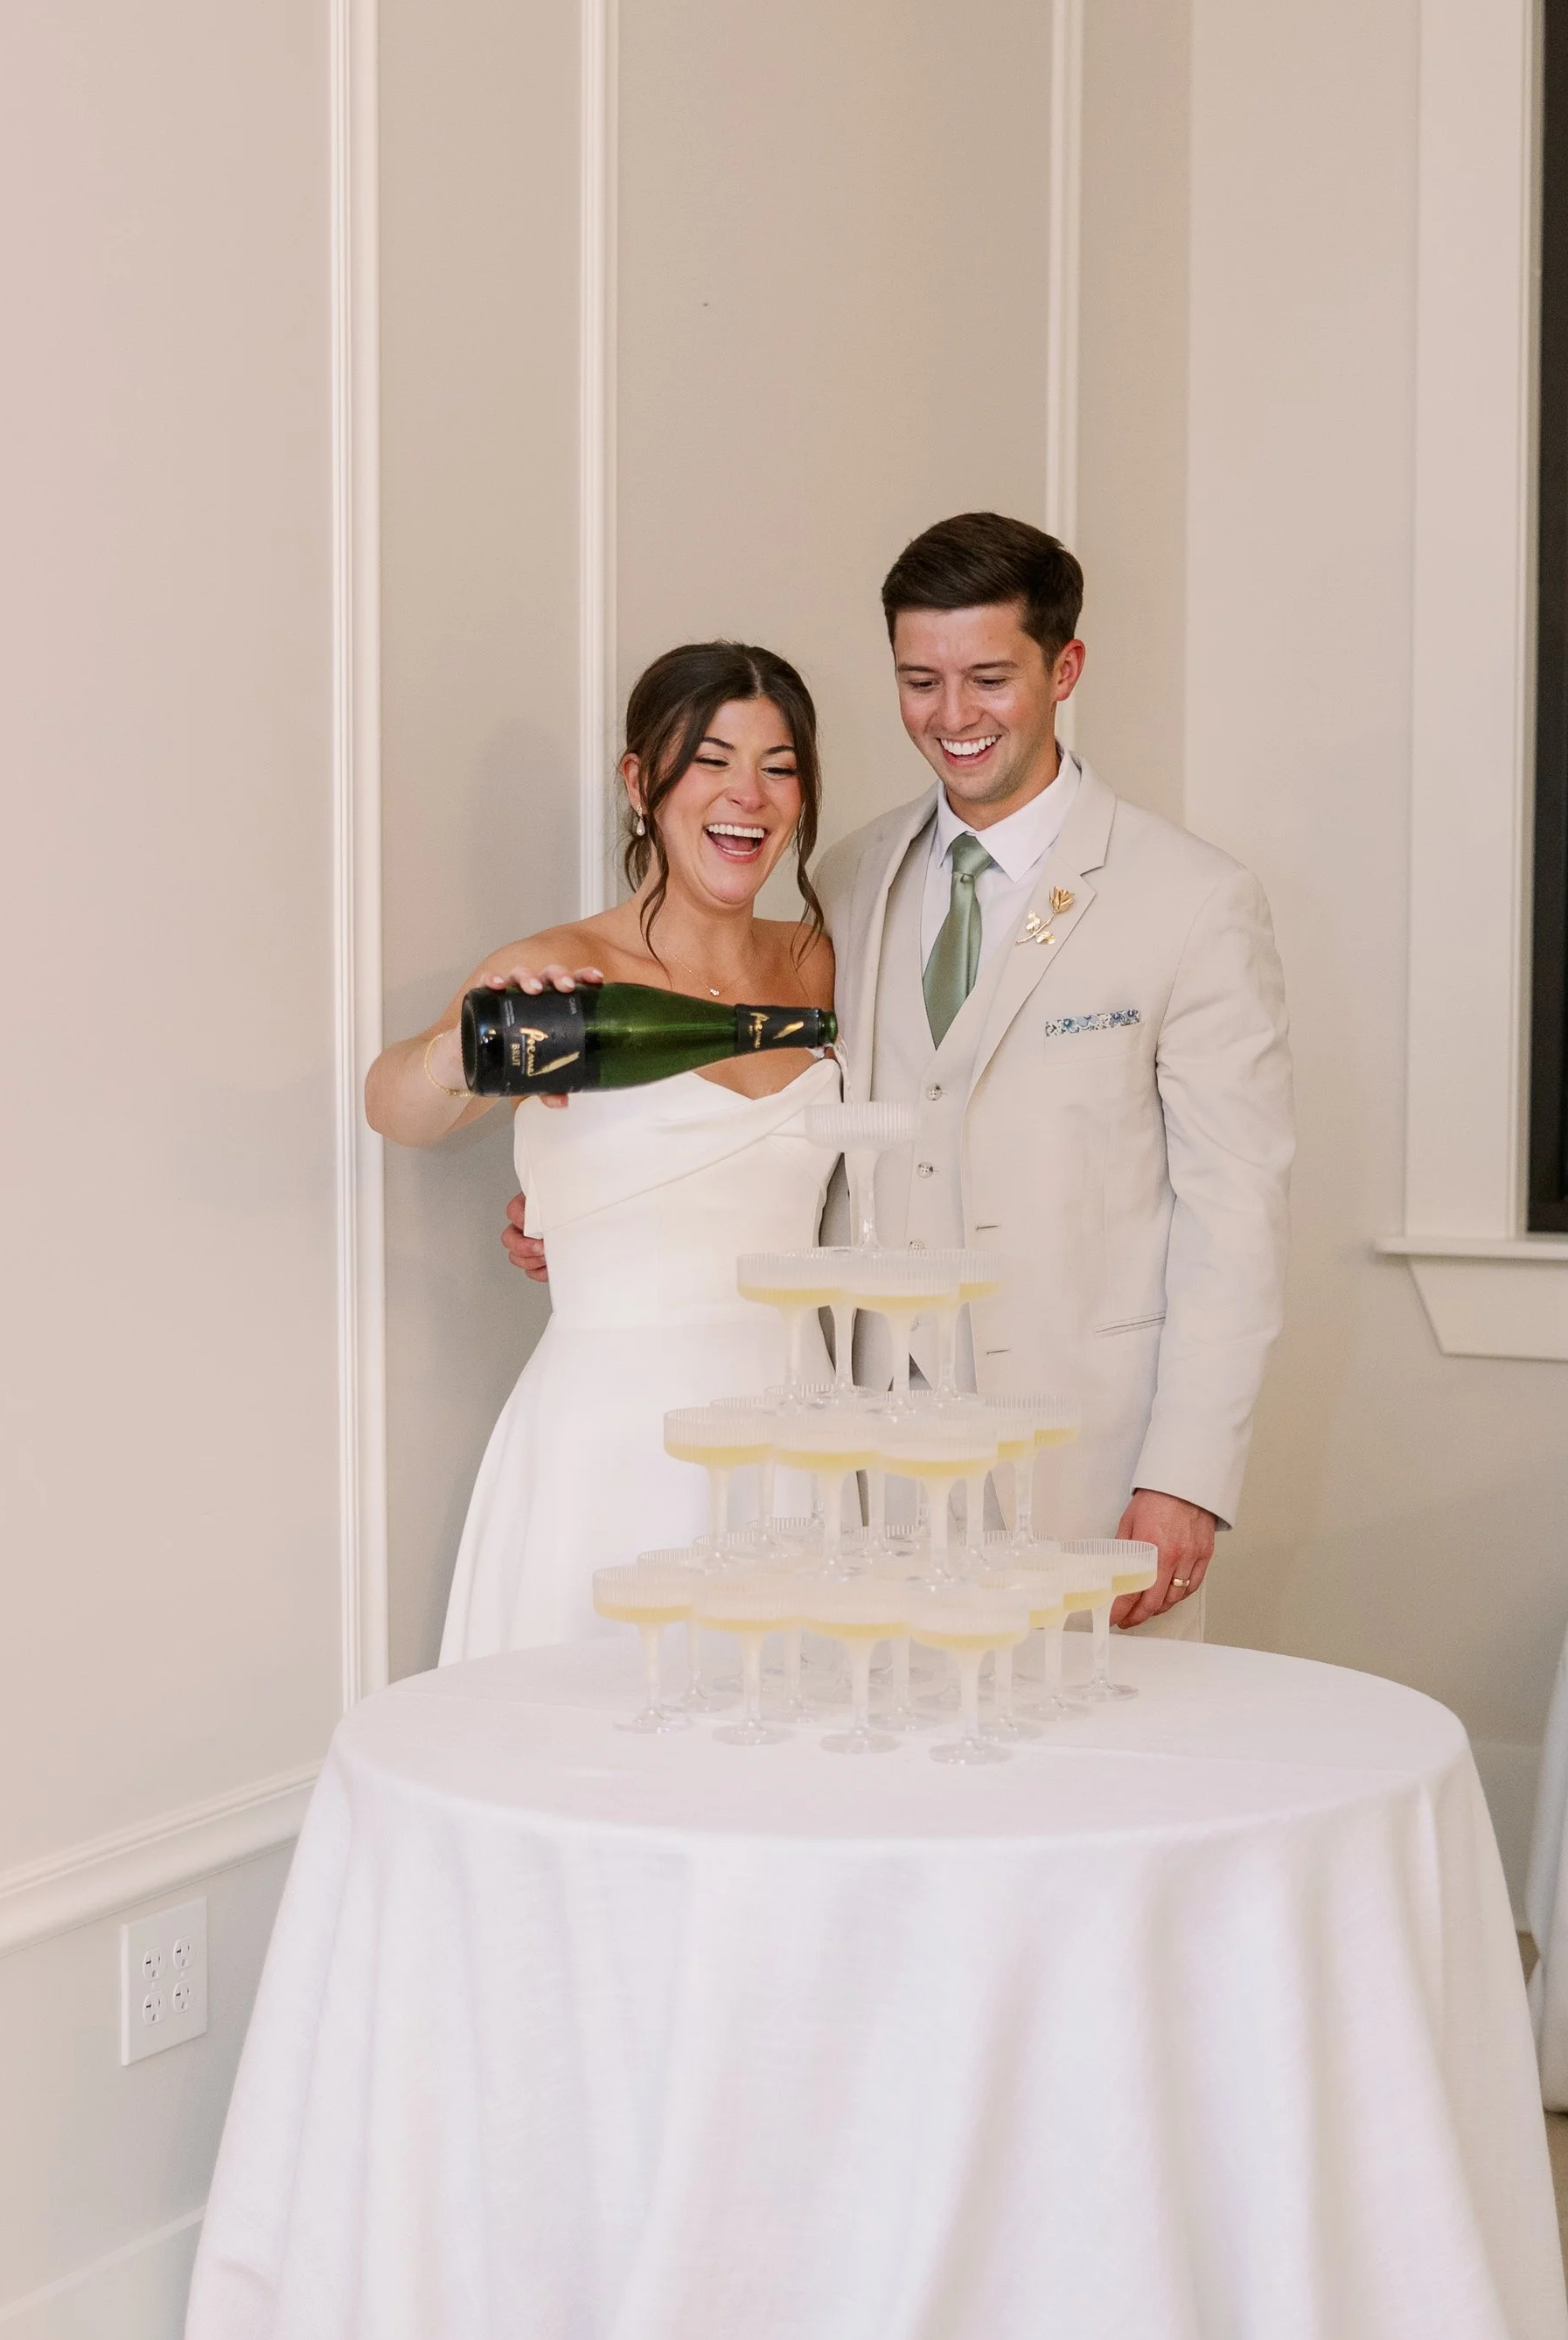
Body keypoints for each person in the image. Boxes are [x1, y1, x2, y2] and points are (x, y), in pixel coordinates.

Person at [508, 517, 1293, 1633]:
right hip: (853, 1460)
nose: (952, 715)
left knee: (1084, 1769)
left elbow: (1239, 1215)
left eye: (988, 677)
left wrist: (1187, 1476)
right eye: (919, 680)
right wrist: (595, 1205)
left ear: (1064, 669)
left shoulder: (1192, 900)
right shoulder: (847, 877)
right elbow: (791, 1126)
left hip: (1081, 1456)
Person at [368, 639, 840, 1659]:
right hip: (617, 1434)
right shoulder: (562, 970)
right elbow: (395, 1107)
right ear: (642, 782)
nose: (746, 796)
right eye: (710, 760)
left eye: (779, 765)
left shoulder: (821, 962)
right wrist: (463, 1054)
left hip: (797, 1421)